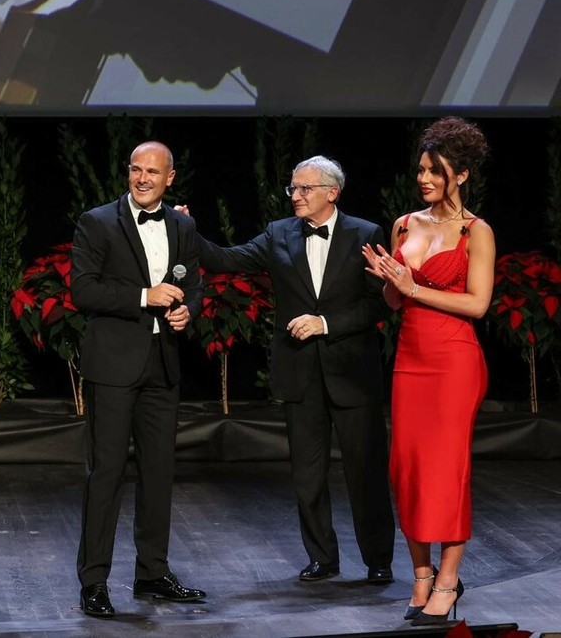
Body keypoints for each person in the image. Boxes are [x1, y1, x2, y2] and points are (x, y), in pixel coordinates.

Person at [192, 155, 396, 584]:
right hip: (299, 371)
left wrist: (325, 324)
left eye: (305, 189)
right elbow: (226, 259)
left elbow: (380, 304)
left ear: (332, 193)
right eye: (293, 188)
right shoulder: (278, 233)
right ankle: (322, 557)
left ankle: (378, 560)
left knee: (366, 472)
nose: (295, 196)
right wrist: (186, 230)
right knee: (307, 473)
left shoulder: (365, 233)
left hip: (352, 372)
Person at [362, 117, 493, 625]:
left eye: (435, 171)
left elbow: (477, 304)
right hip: (410, 359)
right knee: (407, 468)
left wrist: (413, 286)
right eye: (420, 169)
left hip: (454, 362)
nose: (424, 179)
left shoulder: (476, 232)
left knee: (447, 470)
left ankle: (448, 580)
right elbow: (396, 301)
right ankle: (421, 575)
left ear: (461, 175)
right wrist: (391, 280)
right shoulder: (404, 224)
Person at [70, 140, 205, 619]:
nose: (142, 178)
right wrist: (144, 296)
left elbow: (194, 286)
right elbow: (83, 290)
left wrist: (188, 311)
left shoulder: (183, 225)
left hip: (162, 364)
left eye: (152, 171)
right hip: (113, 365)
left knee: (158, 473)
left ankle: (152, 572)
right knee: (106, 473)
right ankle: (94, 582)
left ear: (170, 178)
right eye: (135, 169)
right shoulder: (97, 221)